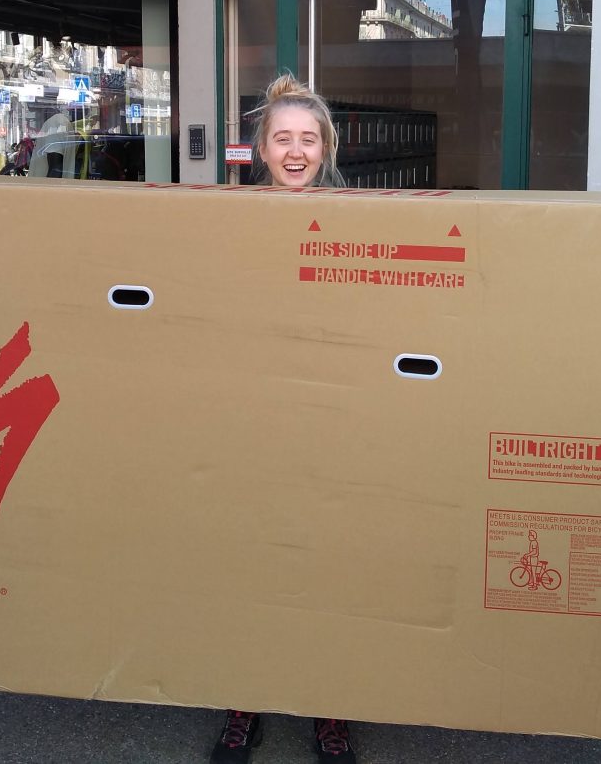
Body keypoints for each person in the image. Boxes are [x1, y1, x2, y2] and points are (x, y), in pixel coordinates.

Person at [209, 73, 355, 764]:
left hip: (332, 420)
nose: (295, 151)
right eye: (282, 138)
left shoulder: (362, 222)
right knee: (249, 562)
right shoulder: (228, 221)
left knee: (330, 566)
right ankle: (245, 699)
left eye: (308, 138)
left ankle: (331, 706)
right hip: (251, 418)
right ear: (260, 148)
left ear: (326, 146)